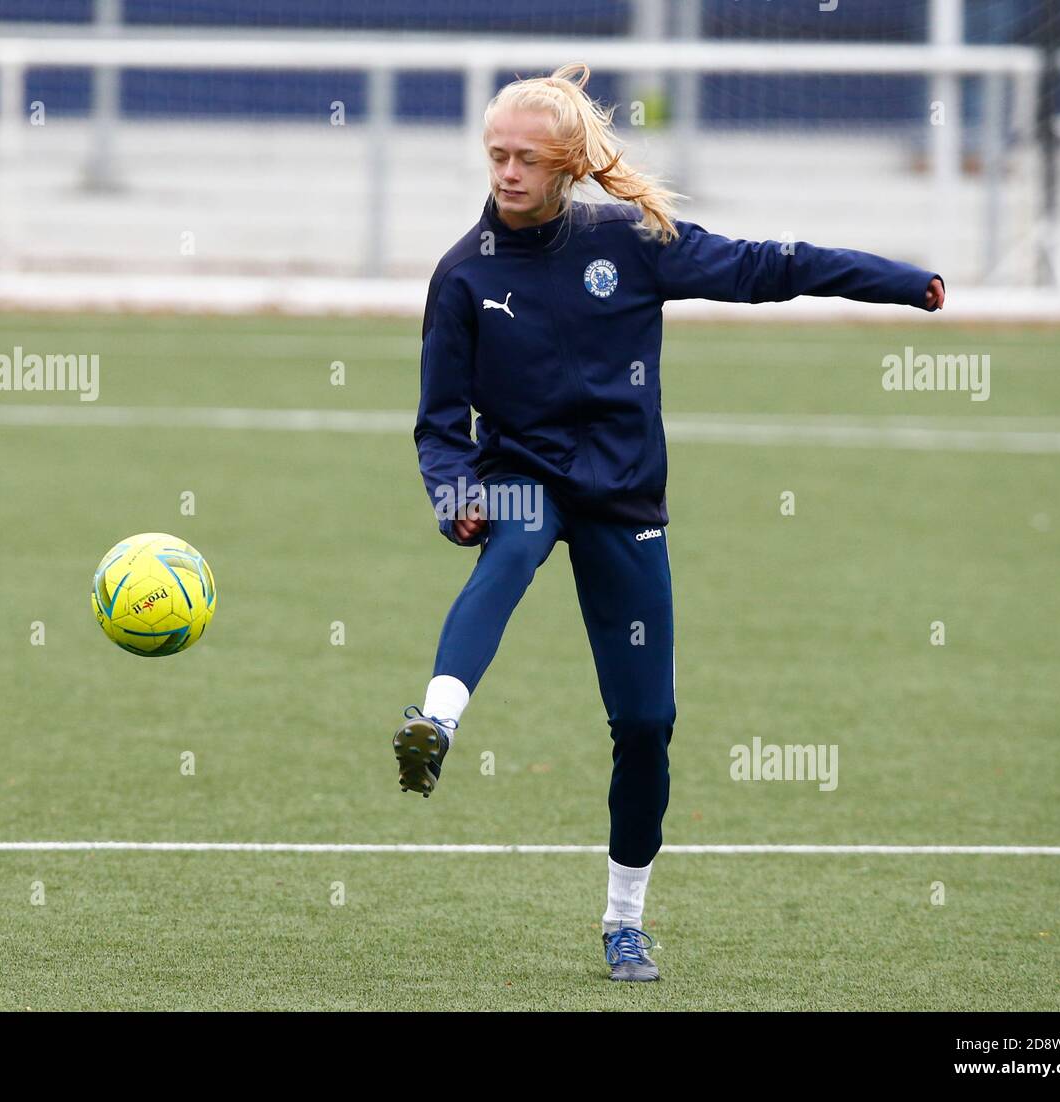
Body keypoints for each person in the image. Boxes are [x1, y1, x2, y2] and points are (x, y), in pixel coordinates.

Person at [392, 63, 945, 982]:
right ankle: (437, 722)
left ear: (568, 164)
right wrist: (456, 495)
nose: (508, 172)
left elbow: (773, 266)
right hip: (523, 477)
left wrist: (897, 281)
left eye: (528, 157)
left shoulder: (633, 241)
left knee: (647, 724)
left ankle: (623, 920)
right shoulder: (463, 275)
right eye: (497, 155)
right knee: (511, 551)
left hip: (623, 497)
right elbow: (440, 425)